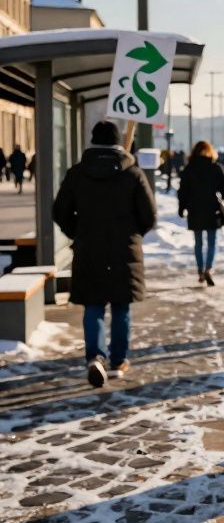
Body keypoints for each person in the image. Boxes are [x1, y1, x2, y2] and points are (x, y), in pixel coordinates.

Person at [51, 121, 156, 387]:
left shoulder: (77, 173)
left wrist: (77, 231)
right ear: (118, 141)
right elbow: (149, 215)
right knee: (121, 306)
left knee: (93, 306)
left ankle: (95, 357)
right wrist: (132, 234)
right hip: (124, 250)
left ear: (92, 140)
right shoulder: (132, 173)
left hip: (89, 247)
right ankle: (118, 361)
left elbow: (60, 211)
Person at [177, 140, 224, 287]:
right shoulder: (216, 167)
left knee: (198, 242)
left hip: (194, 209)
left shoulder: (189, 169)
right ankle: (209, 268)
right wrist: (220, 196)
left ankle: (200, 269)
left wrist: (182, 207)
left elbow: (182, 191)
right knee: (212, 241)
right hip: (212, 208)